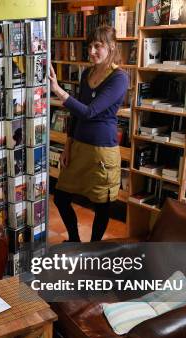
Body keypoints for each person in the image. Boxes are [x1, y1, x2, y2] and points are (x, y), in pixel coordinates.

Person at [49, 25, 129, 242]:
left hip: (102, 152)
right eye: (89, 46)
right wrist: (67, 145)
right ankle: (75, 241)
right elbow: (76, 115)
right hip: (78, 147)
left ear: (111, 47)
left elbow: (90, 112)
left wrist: (57, 90)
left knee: (102, 206)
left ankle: (93, 249)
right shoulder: (87, 74)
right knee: (61, 198)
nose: (91, 51)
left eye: (97, 46)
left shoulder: (120, 78)